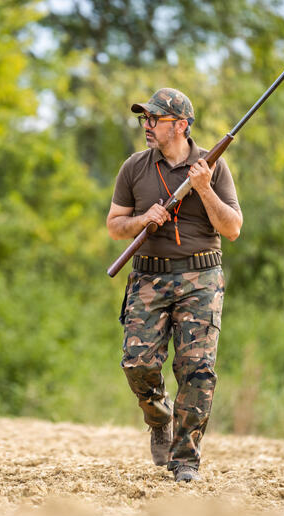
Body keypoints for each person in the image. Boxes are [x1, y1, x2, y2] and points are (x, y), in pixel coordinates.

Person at [106, 88, 242, 483]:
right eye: (144, 119)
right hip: (148, 275)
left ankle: (185, 460)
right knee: (138, 364)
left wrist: (204, 188)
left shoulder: (214, 168)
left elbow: (232, 228)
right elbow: (115, 226)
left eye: (155, 119)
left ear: (181, 125)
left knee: (196, 370)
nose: (146, 126)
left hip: (201, 278)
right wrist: (141, 219)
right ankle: (159, 417)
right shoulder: (134, 167)